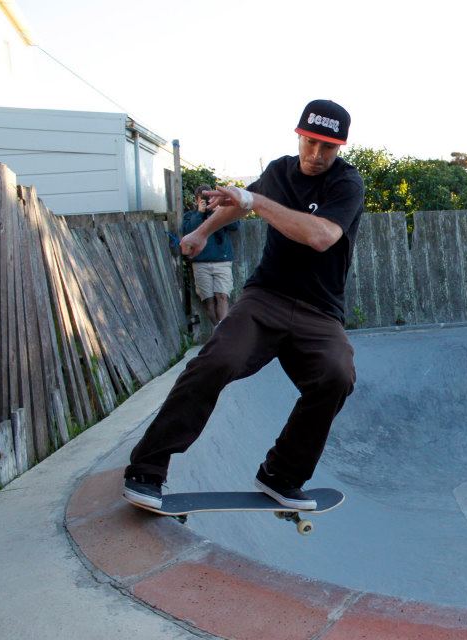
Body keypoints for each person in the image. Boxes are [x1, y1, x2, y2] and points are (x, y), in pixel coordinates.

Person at [123, 99, 365, 511]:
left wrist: (257, 204)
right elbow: (240, 201)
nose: (316, 155)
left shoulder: (347, 184)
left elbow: (322, 236)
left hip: (319, 312)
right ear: (299, 136)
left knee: (337, 376)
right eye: (311, 143)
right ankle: (147, 467)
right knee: (215, 361)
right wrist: (201, 232)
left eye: (328, 148)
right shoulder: (279, 171)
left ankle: (280, 474)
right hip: (265, 298)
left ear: (340, 148)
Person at [183, 184, 240, 327]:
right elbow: (188, 232)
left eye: (209, 197)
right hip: (200, 263)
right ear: (197, 200)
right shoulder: (191, 216)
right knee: (208, 301)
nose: (207, 201)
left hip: (222, 261)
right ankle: (218, 330)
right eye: (202, 198)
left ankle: (223, 333)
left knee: (222, 297)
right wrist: (200, 214)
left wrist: (218, 212)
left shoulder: (221, 212)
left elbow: (235, 226)